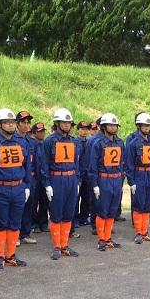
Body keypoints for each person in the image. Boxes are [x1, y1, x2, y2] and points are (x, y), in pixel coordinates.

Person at [0, 108, 31, 271]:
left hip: (18, 188)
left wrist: (27, 186)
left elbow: (27, 166)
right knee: (1, 223)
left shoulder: (22, 142)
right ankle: (0, 256)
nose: (10, 125)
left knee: (15, 223)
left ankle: (11, 255)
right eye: (7, 122)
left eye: (12, 122)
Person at [41, 108, 80, 260]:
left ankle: (65, 244)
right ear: (57, 123)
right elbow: (43, 164)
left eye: (69, 122)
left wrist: (77, 179)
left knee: (69, 213)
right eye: (63, 122)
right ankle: (57, 246)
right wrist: (47, 184)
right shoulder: (50, 141)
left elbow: (76, 162)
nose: (66, 125)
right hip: (56, 179)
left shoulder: (74, 141)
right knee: (56, 213)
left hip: (71, 179)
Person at [89, 113, 124, 251]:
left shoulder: (120, 142)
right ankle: (101, 239)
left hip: (116, 178)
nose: (113, 127)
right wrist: (95, 184)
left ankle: (108, 237)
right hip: (104, 179)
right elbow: (93, 166)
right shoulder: (98, 143)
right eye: (110, 125)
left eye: (115, 125)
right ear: (104, 127)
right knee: (102, 210)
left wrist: (121, 178)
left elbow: (122, 162)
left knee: (112, 211)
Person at [125, 112, 150, 244]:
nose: (147, 127)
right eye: (144, 125)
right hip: (139, 175)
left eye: (149, 125)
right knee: (139, 204)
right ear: (139, 126)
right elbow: (129, 163)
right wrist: (131, 181)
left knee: (148, 204)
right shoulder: (133, 143)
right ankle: (138, 232)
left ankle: (145, 232)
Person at [16, 111, 38, 245]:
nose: (26, 125)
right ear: (17, 124)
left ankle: (25, 233)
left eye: (28, 122)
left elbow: (37, 161)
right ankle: (15, 234)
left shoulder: (32, 142)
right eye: (23, 122)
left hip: (31, 178)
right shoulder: (12, 140)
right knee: (17, 207)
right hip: (17, 179)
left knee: (29, 206)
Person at [31, 122, 49, 233]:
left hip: (45, 177)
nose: (41, 133)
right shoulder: (31, 144)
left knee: (45, 201)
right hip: (35, 177)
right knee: (33, 202)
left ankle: (43, 223)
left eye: (43, 131)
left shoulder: (46, 144)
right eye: (39, 132)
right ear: (33, 133)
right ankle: (34, 224)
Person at [75, 121, 91, 227]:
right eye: (82, 129)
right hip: (79, 174)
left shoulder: (90, 142)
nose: (84, 131)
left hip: (88, 174)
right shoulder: (75, 142)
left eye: (86, 129)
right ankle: (75, 220)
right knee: (75, 199)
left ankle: (84, 218)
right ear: (78, 130)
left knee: (87, 197)